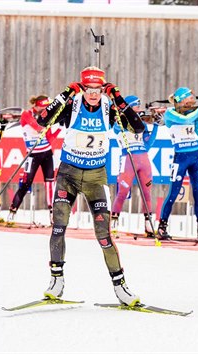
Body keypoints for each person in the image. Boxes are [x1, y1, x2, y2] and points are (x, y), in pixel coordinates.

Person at [37, 66, 145, 306]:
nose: (93, 94)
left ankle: (121, 288)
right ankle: (56, 281)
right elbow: (41, 119)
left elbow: (138, 128)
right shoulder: (72, 105)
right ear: (82, 88)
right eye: (89, 89)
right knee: (58, 227)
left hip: (96, 177)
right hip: (69, 174)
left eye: (98, 89)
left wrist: (117, 96)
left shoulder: (109, 107)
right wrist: (65, 93)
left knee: (104, 235)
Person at [156, 87, 198, 241]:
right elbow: (184, 120)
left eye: (192, 97)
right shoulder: (170, 113)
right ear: (181, 99)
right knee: (173, 193)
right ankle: (162, 227)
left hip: (195, 156)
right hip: (180, 158)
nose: (192, 99)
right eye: (189, 97)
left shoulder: (192, 114)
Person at [7, 95, 61, 226]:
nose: (44, 110)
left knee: (50, 183)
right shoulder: (27, 114)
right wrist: (50, 121)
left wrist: (60, 128)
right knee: (26, 184)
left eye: (46, 108)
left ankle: (52, 215)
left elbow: (50, 139)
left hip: (47, 153)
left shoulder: (45, 115)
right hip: (32, 155)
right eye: (42, 108)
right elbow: (37, 127)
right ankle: (12, 212)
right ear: (36, 105)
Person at [110, 95, 158, 238]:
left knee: (147, 193)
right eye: (136, 105)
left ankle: (148, 225)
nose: (139, 108)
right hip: (128, 158)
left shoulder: (141, 124)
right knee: (122, 192)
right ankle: (114, 222)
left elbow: (148, 144)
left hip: (143, 158)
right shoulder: (120, 120)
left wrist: (156, 126)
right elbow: (117, 128)